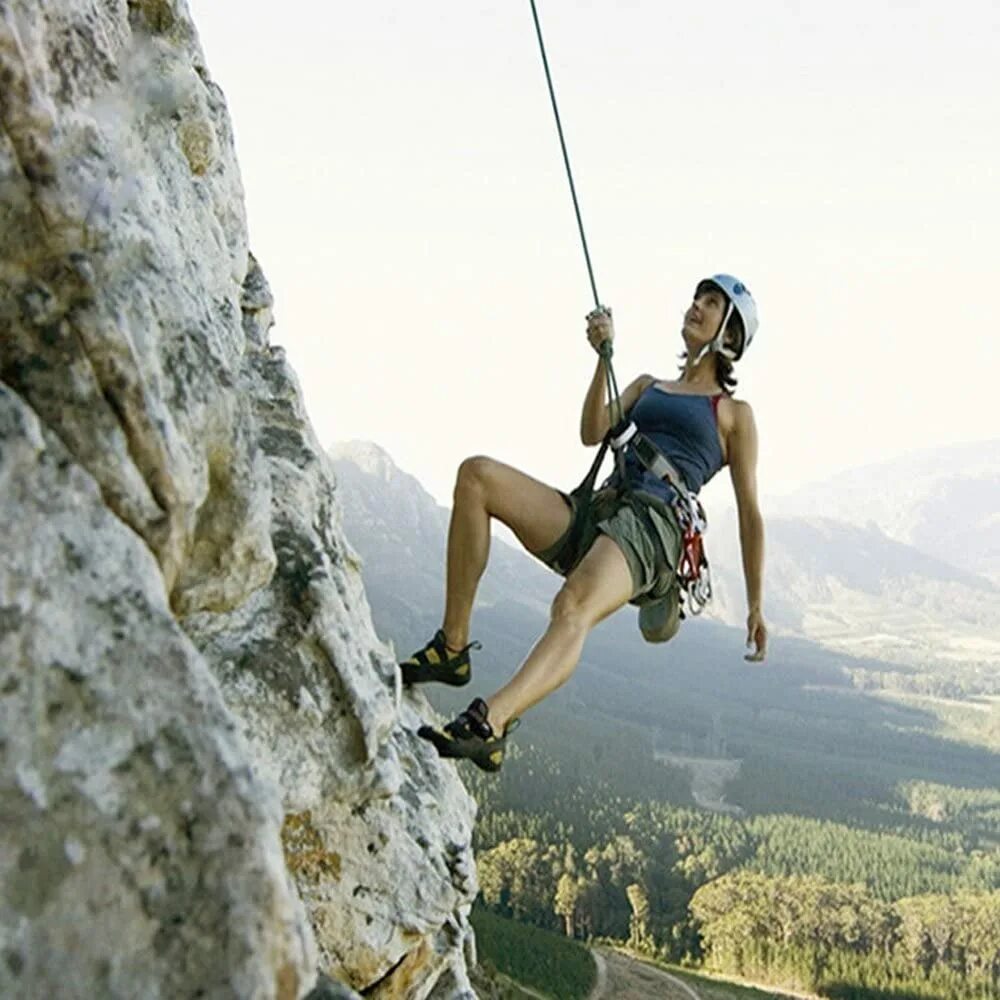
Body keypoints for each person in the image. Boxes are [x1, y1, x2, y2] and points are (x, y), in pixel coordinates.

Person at [403, 275, 767, 772]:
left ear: (730, 334)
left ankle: (491, 723)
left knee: (572, 604)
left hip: (652, 529)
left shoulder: (733, 416)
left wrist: (754, 606)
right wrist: (603, 358)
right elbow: (592, 430)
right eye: (696, 298)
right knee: (477, 477)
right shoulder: (647, 385)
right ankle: (452, 647)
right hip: (602, 509)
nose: (695, 307)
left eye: (710, 304)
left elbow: (749, 513)